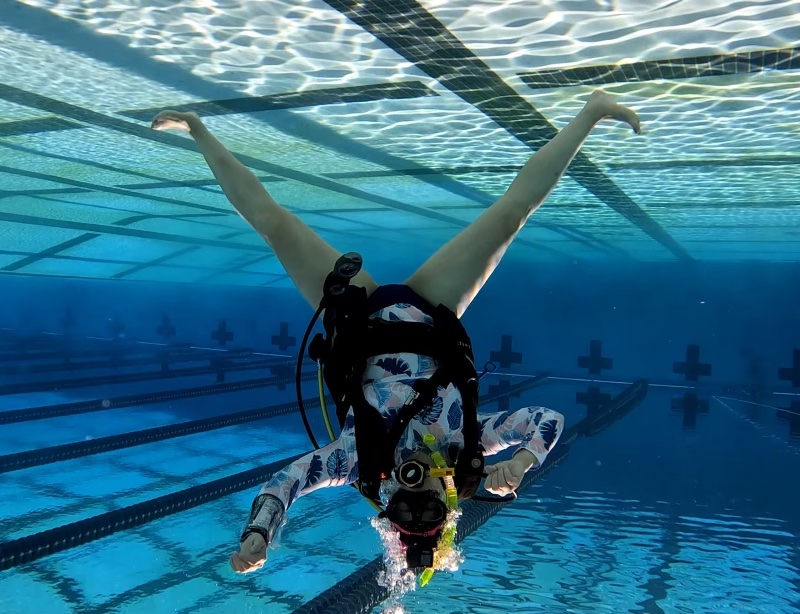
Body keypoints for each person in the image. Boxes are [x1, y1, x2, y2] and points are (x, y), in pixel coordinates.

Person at [151, 90, 640, 580]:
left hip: (357, 315)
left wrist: (258, 533)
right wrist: (524, 460)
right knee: (510, 215)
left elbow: (287, 482)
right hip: (432, 309)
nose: (416, 501)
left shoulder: (356, 461)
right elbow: (547, 417)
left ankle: (198, 128)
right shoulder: (468, 453)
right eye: (430, 512)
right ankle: (592, 111)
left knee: (275, 225)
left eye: (404, 514)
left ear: (388, 511)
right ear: (448, 506)